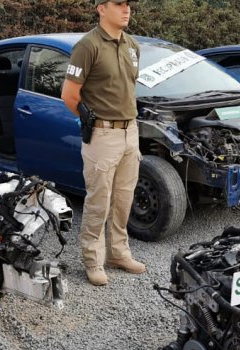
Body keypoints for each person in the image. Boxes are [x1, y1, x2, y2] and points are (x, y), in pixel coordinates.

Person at [61, 0, 145, 286]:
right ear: (101, 8)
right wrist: (93, 124)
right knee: (99, 202)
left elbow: (128, 89)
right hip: (103, 135)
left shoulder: (132, 45)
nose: (126, 9)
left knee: (124, 199)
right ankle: (93, 260)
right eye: (119, 4)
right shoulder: (88, 46)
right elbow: (70, 96)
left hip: (130, 132)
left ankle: (118, 254)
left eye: (128, 4)